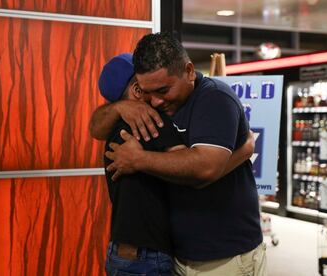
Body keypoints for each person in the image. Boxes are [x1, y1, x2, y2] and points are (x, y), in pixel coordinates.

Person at [102, 33, 267, 276]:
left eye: (163, 90)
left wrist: (139, 160)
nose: (155, 101)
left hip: (224, 256)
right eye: (146, 92)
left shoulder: (214, 98)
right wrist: (120, 107)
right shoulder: (147, 110)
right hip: (178, 255)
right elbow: (96, 126)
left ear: (189, 71)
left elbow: (205, 168)